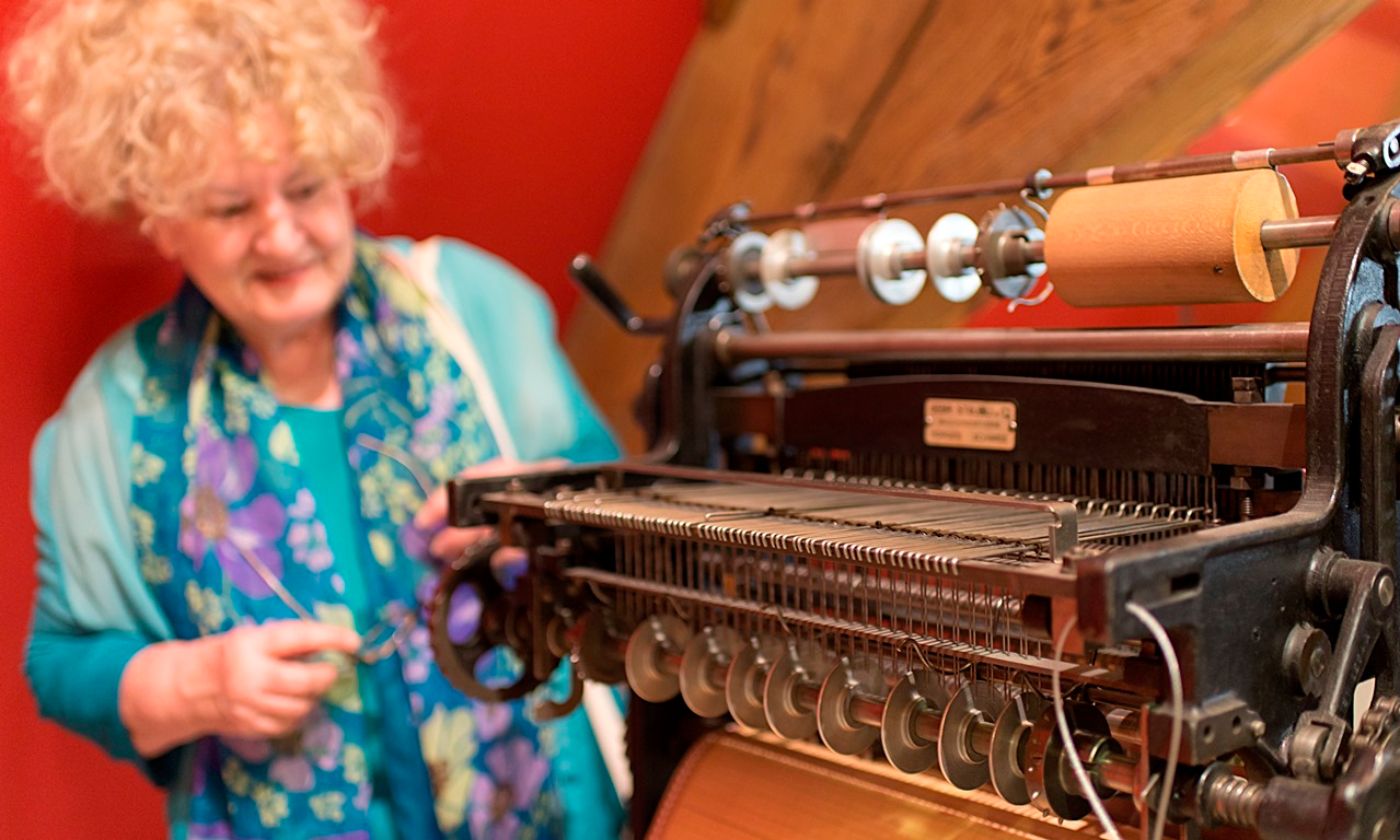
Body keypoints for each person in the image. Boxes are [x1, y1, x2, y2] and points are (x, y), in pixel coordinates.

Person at [8, 0, 626, 837]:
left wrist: (545, 517)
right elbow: (60, 663)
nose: (282, 234)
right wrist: (200, 686)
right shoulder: (113, 415)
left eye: (305, 186)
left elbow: (622, 520)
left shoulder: (474, 307)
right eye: (230, 208)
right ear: (159, 216)